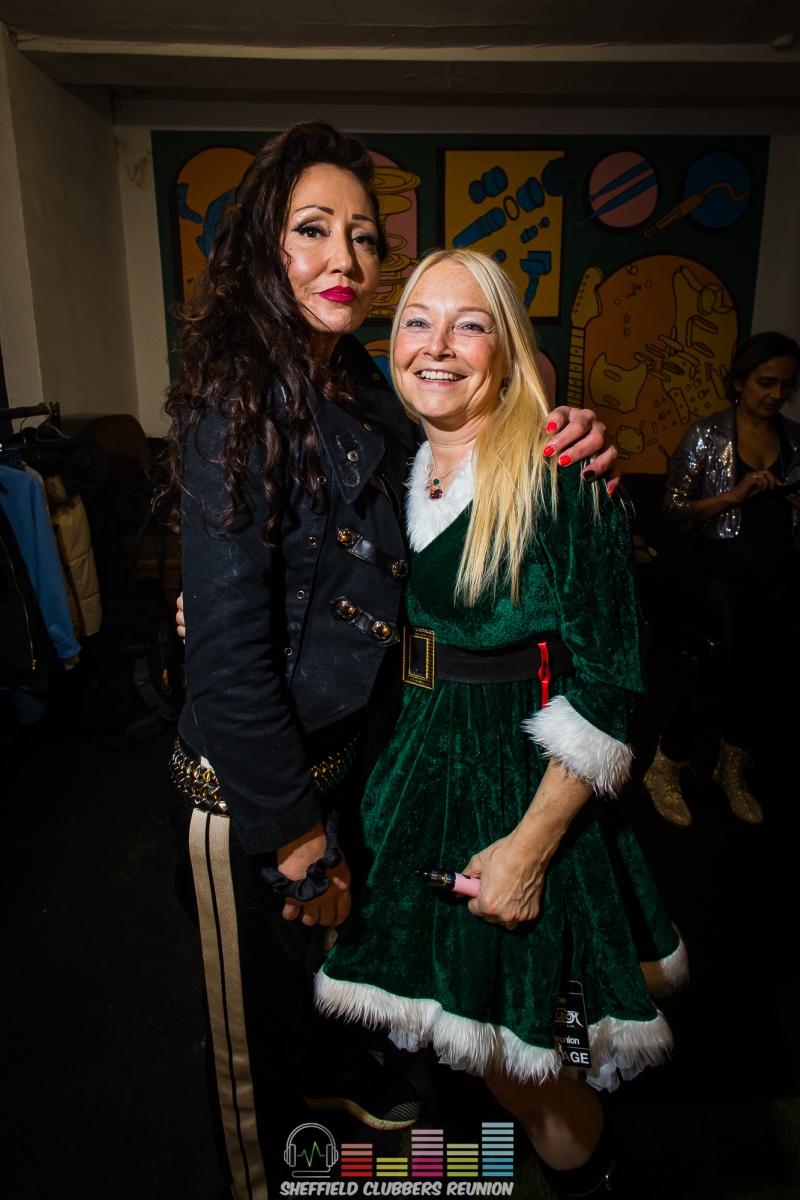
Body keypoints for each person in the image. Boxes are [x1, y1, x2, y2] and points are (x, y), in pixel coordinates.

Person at [163, 122, 616, 1199]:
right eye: (311, 230)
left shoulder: (361, 383)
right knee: (258, 1062)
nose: (344, 259)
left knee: (329, 1025)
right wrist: (298, 843)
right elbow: (230, 666)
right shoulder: (236, 401)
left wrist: (566, 430)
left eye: (364, 237)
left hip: (351, 772)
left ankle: (356, 1159)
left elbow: (464, 436)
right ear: (263, 246)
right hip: (248, 798)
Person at [316, 249, 687, 1200]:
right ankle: (466, 1169)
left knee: (524, 1065)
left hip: (512, 793)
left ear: (510, 349)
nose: (437, 346)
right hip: (406, 775)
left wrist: (528, 849)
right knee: (446, 1036)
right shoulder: (389, 465)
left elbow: (610, 686)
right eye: (416, 321)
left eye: (469, 324)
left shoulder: (561, 476)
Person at [644, 332, 800, 827]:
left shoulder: (794, 438)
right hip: (721, 576)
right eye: (766, 382)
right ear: (739, 382)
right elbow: (673, 512)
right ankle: (665, 765)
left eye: (787, 385)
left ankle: (730, 770)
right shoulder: (707, 435)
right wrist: (732, 497)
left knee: (760, 682)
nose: (776, 394)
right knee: (718, 683)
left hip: (781, 575)